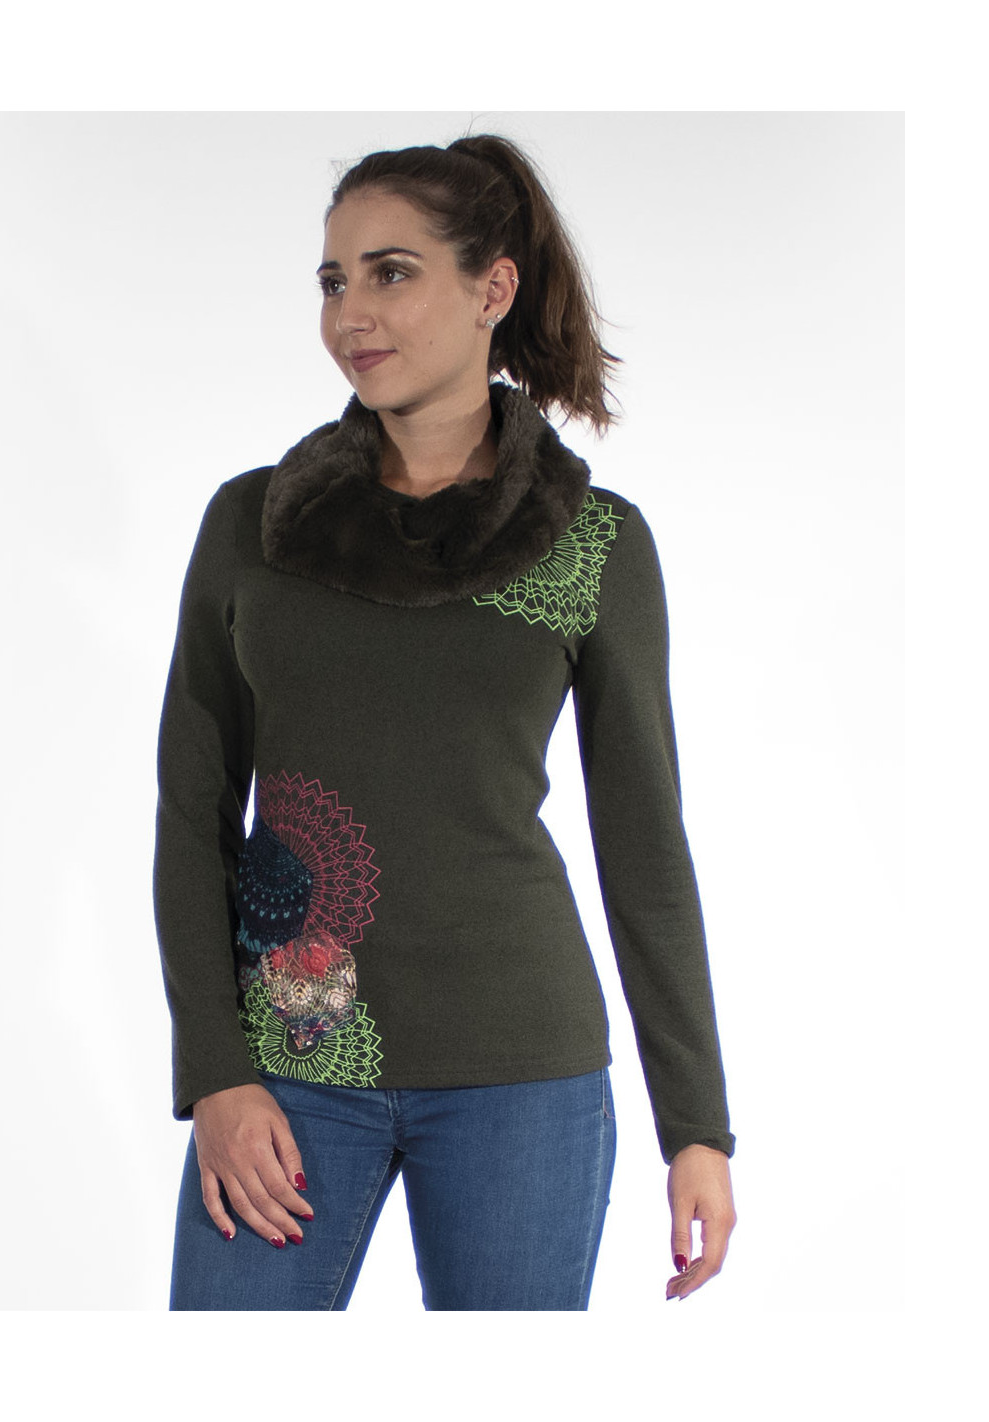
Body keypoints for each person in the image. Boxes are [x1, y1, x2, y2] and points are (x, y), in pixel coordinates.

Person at [154, 132, 737, 1311]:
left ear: (491, 288)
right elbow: (190, 812)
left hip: (522, 1074)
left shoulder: (594, 546)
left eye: (391, 273)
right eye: (333, 280)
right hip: (290, 1063)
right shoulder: (253, 526)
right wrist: (214, 1071)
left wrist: (696, 1126)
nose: (350, 314)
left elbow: (644, 846)